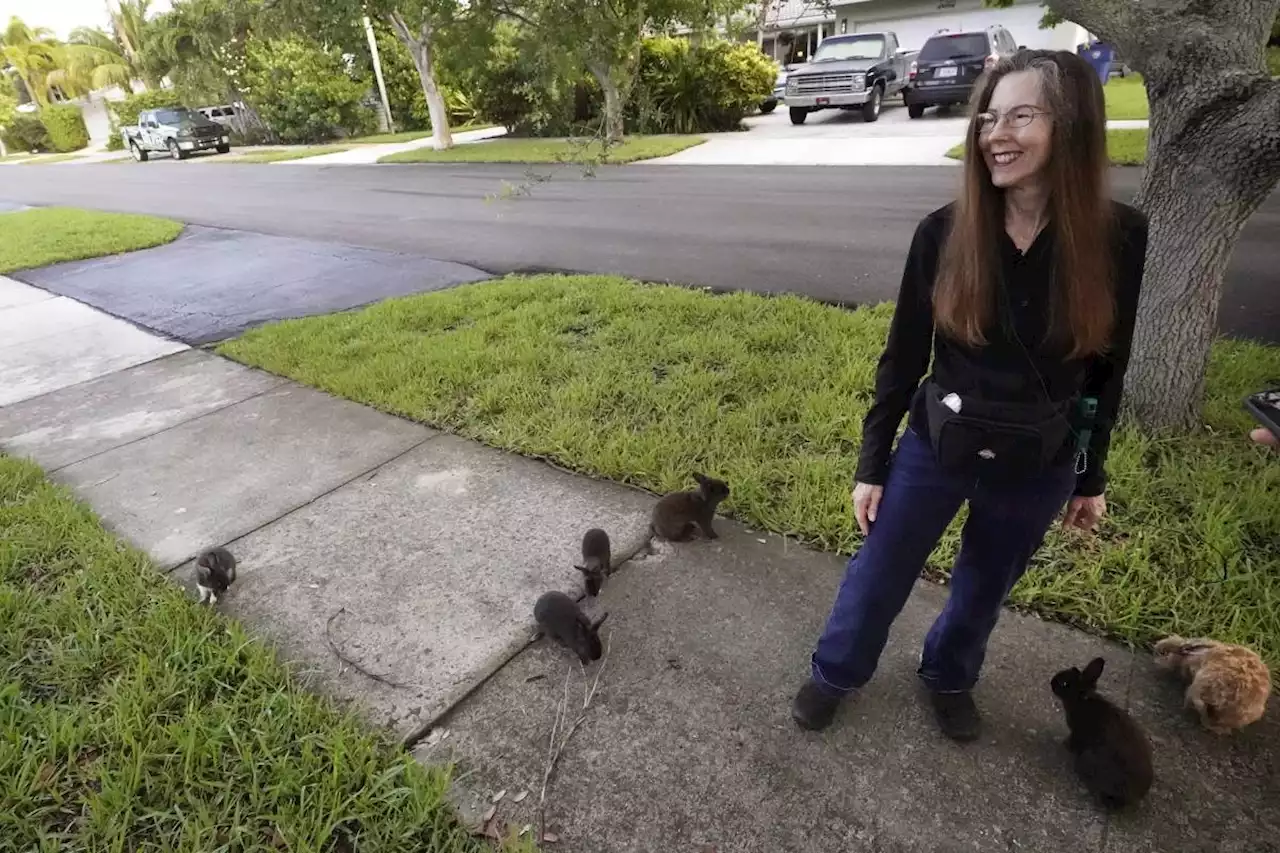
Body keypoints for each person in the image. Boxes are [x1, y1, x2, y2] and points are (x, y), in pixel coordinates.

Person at [791, 49, 1149, 743]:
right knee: (881, 569)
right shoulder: (944, 231)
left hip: (1037, 458)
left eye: (1020, 115)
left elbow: (1108, 369)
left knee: (985, 585)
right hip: (938, 441)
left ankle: (949, 675)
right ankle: (836, 670)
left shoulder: (1120, 237)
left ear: (1071, 125)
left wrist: (1090, 475)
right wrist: (873, 463)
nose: (996, 134)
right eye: (989, 117)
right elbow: (902, 356)